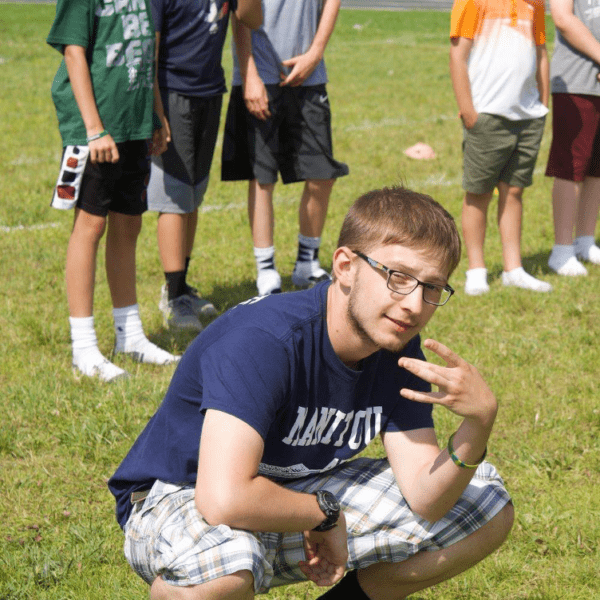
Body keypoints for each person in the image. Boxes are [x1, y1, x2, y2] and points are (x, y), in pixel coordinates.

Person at [109, 186, 513, 600]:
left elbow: (426, 499)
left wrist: (479, 422)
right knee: (223, 572)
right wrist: (323, 512)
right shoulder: (266, 341)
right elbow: (222, 498)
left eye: (431, 287)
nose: (413, 304)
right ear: (345, 266)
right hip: (180, 495)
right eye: (398, 277)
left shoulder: (396, 345)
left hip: (284, 495)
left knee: (485, 505)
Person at [47, 0, 180, 382]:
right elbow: (74, 53)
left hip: (133, 123)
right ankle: (84, 346)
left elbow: (146, 52)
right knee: (90, 226)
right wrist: (93, 128)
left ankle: (130, 335)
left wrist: (155, 114)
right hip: (97, 129)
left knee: (128, 226)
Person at [148, 0, 263, 331]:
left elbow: (251, 19)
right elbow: (151, 51)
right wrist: (157, 108)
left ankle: (181, 284)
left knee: (194, 192)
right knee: (175, 194)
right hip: (172, 93)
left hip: (210, 91)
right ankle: (172, 295)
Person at [221, 0, 349, 297]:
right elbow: (240, 13)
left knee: (321, 175)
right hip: (259, 79)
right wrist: (249, 73)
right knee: (262, 178)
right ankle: (266, 269)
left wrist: (315, 53)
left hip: (309, 74)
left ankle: (307, 262)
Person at [450, 0, 553, 295]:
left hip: (527, 115)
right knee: (479, 191)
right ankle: (476, 270)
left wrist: (542, 105)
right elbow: (457, 56)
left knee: (514, 191)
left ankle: (513, 269)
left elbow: (541, 52)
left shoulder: (535, 3)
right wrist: (468, 110)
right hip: (487, 114)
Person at [545, 0, 600, 276]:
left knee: (596, 167)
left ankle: (585, 241)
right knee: (571, 166)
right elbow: (563, 18)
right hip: (576, 79)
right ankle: (562, 249)